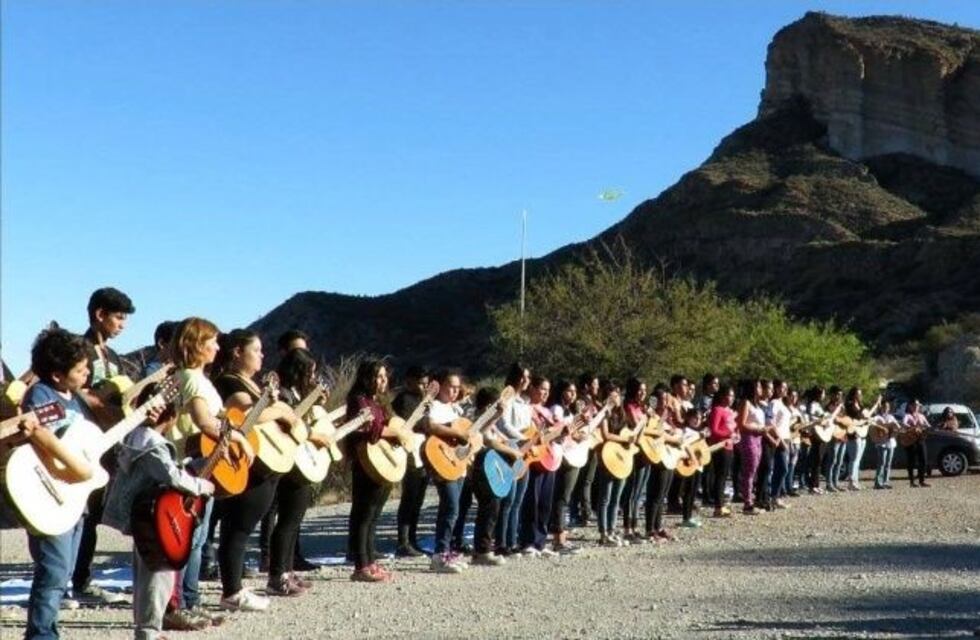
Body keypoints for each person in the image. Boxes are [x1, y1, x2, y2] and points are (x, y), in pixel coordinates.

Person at [102, 385, 214, 640]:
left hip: (141, 512)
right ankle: (149, 630)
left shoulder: (133, 438)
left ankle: (146, 627)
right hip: (154, 515)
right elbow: (170, 475)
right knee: (159, 572)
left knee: (144, 570)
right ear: (172, 416)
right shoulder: (152, 443)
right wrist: (201, 485)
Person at [212, 329, 299, 607]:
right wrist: (282, 410)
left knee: (245, 526)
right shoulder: (227, 381)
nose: (262, 355)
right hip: (244, 461)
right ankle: (232, 590)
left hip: (265, 462)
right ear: (237, 352)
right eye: (256, 350)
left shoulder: (252, 383)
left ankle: (235, 586)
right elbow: (245, 413)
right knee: (237, 526)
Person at [21, 328, 97, 639]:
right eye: (80, 369)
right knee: (52, 571)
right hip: (49, 494)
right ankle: (40, 634)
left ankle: (48, 629)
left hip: (73, 498)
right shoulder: (41, 395)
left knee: (63, 570)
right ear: (56, 374)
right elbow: (42, 438)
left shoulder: (75, 399)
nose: (87, 372)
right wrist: (76, 468)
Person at [72, 287, 135, 607]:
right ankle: (72, 580)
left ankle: (81, 578)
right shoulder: (78, 348)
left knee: (92, 512)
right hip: (78, 439)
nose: (122, 325)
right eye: (118, 317)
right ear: (99, 315)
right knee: (76, 512)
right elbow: (77, 389)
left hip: (106, 443)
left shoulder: (112, 357)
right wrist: (100, 407)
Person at [346, 359, 399, 582]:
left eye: (385, 376)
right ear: (367, 377)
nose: (383, 381)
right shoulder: (359, 400)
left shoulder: (378, 402)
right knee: (363, 514)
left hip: (382, 463)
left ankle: (370, 560)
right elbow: (370, 428)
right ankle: (361, 565)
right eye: (378, 376)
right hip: (365, 463)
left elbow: (390, 424)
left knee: (374, 515)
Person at [425, 370, 481, 573]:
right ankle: (439, 554)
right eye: (451, 386)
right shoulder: (434, 406)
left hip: (457, 463)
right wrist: (457, 433)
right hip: (442, 460)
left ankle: (447, 550)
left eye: (458, 387)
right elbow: (430, 426)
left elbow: (466, 436)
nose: (455, 390)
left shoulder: (455, 409)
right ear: (439, 385)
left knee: (455, 508)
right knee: (450, 508)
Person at [494, 363, 533, 556]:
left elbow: (529, 425)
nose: (526, 380)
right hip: (510, 449)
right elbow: (503, 424)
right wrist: (522, 438)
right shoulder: (506, 397)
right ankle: (501, 542)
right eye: (523, 377)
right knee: (508, 499)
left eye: (528, 377)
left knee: (518, 500)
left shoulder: (524, 401)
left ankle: (512, 540)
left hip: (524, 452)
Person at [393, 365, 431, 557]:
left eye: (426, 384)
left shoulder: (423, 400)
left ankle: (412, 539)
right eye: (420, 383)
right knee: (409, 498)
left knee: (418, 500)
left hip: (423, 453)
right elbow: (416, 424)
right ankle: (403, 541)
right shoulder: (404, 400)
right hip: (410, 453)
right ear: (409, 381)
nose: (423, 387)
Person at [548, 380, 586, 554]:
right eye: (569, 391)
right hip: (563, 456)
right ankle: (558, 538)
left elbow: (572, 433)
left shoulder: (569, 412)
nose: (572, 395)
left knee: (565, 497)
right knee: (562, 498)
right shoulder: (556, 409)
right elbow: (559, 431)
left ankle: (561, 536)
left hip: (572, 455)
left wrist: (581, 429)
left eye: (574, 391)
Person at [594, 383, 627, 546]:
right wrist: (625, 439)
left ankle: (612, 529)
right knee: (605, 497)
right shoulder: (604, 413)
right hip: (607, 457)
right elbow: (606, 434)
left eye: (618, 394)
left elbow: (629, 433)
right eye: (613, 395)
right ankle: (603, 532)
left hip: (622, 457)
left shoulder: (622, 414)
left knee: (616, 497)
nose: (617, 397)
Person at [736, 379, 766, 516]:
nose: (761, 388)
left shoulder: (758, 405)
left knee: (754, 470)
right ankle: (747, 503)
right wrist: (759, 429)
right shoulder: (745, 403)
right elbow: (741, 424)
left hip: (759, 438)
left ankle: (751, 498)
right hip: (749, 438)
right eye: (759, 386)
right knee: (749, 470)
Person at [707, 385, 736, 518]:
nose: (731, 398)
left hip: (729, 446)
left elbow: (733, 428)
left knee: (724, 477)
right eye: (729, 395)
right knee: (720, 476)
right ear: (722, 396)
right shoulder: (717, 410)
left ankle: (721, 504)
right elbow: (714, 430)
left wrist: (735, 434)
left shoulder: (729, 411)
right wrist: (728, 433)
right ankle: (718, 506)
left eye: (733, 396)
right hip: (720, 446)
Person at [844, 387, 880, 491]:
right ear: (854, 395)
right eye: (858, 394)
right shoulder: (850, 406)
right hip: (854, 434)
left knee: (858, 459)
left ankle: (855, 481)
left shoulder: (860, 406)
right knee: (853, 459)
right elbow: (859, 417)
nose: (860, 396)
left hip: (862, 434)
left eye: (860, 394)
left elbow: (866, 416)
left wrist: (876, 405)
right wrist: (866, 418)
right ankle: (851, 482)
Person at [766, 380, 792, 510]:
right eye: (782, 387)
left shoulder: (783, 403)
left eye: (786, 388)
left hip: (786, 438)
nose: (784, 390)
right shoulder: (773, 403)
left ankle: (776, 496)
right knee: (782, 468)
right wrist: (780, 439)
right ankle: (773, 496)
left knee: (782, 468)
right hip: (778, 440)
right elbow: (770, 422)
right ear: (776, 389)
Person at [902, 400, 930, 488]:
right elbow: (903, 423)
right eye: (914, 405)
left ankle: (922, 480)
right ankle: (912, 481)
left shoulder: (921, 416)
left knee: (923, 460)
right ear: (910, 406)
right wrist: (912, 427)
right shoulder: (907, 416)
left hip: (920, 439)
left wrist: (926, 428)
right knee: (911, 461)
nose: (916, 407)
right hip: (911, 440)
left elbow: (928, 425)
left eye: (917, 405)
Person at [824, 387, 847, 493]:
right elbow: (832, 419)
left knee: (839, 461)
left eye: (840, 394)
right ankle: (829, 483)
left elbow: (845, 419)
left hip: (843, 435)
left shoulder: (842, 407)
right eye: (837, 394)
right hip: (834, 436)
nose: (839, 396)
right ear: (832, 395)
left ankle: (836, 482)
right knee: (832, 460)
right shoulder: (829, 406)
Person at [873, 400, 900, 490]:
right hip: (881, 442)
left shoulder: (891, 416)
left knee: (888, 463)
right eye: (884, 406)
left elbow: (897, 427)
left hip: (890, 442)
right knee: (882, 462)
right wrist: (884, 426)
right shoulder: (877, 417)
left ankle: (885, 481)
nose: (886, 408)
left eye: (887, 407)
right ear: (881, 407)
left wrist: (896, 427)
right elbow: (874, 425)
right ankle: (878, 482)